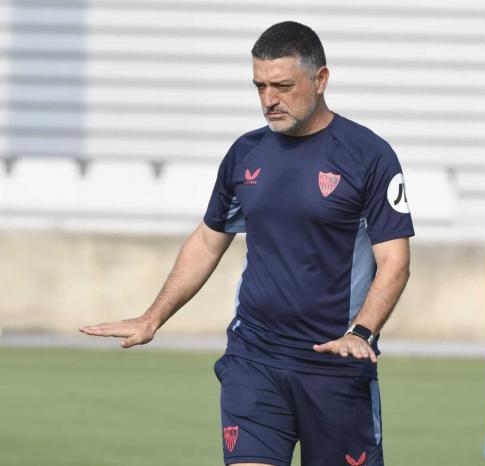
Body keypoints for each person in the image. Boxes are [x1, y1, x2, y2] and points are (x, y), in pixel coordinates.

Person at [80, 21, 414, 466]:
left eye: (282, 86)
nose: (268, 100)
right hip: (254, 359)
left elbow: (395, 261)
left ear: (320, 80)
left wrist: (361, 331)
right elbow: (206, 240)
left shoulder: (368, 156)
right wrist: (152, 317)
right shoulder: (246, 154)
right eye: (259, 86)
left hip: (335, 366)